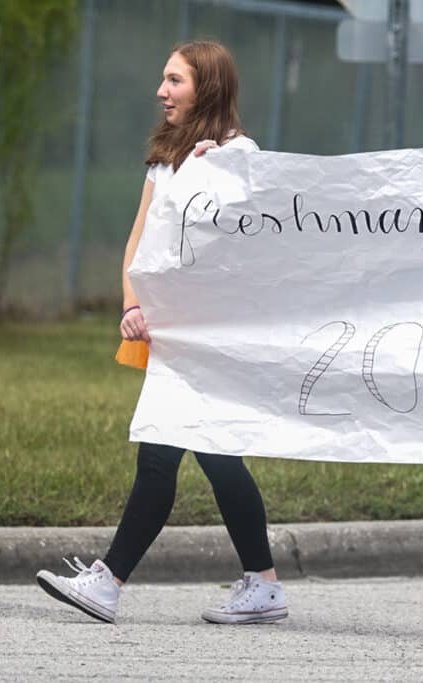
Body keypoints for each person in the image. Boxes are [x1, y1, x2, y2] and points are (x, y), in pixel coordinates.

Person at [36, 41, 288, 626]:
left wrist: (217, 173)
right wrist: (132, 303)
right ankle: (264, 584)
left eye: (174, 80)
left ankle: (109, 582)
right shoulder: (165, 156)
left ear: (208, 87)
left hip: (210, 336)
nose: (161, 91)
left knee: (164, 456)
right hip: (170, 331)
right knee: (216, 457)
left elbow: (239, 249)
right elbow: (139, 242)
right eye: (163, 80)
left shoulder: (240, 154)